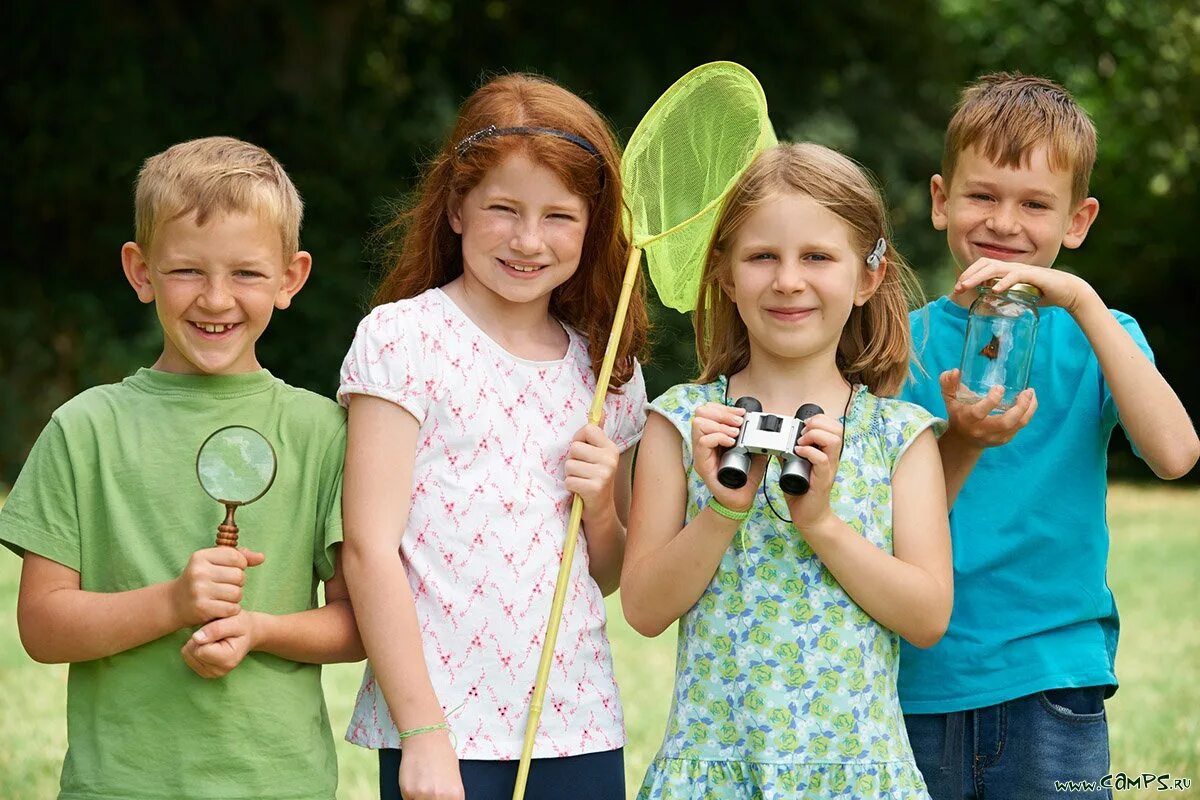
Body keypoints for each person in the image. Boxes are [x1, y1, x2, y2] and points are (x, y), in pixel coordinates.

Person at [0, 135, 363, 800]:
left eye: (247, 273)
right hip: (118, 787)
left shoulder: (325, 433)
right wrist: (173, 603)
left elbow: (355, 622)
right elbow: (42, 628)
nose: (216, 299)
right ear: (140, 272)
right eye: (187, 271)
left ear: (291, 277)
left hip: (279, 785)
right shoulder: (84, 430)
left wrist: (261, 630)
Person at [338, 74, 650, 800]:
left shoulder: (608, 374)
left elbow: (606, 573)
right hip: (441, 732)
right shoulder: (405, 339)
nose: (528, 240)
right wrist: (422, 735)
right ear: (454, 207)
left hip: (578, 724)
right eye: (503, 209)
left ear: (592, 226)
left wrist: (602, 507)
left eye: (559, 216)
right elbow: (367, 548)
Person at [898, 72, 1200, 799]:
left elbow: (1174, 454)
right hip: (917, 679)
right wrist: (960, 439)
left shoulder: (1104, 339)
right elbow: (881, 511)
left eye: (1035, 204)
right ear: (941, 202)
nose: (1005, 223)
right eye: (982, 196)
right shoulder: (897, 346)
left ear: (1077, 221)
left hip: (1053, 679)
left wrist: (1085, 303)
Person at [623, 142, 952, 799]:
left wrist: (821, 522)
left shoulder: (898, 436)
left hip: (857, 774)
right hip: (717, 772)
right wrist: (722, 510)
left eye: (818, 257)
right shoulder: (680, 422)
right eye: (762, 256)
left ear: (868, 275)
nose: (788, 281)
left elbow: (927, 617)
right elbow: (643, 608)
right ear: (724, 272)